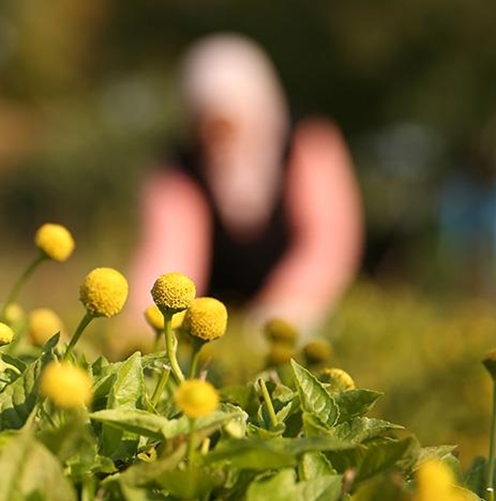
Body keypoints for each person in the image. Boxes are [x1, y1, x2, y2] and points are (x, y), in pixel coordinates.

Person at [129, 33, 363, 337]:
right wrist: (144, 326)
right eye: (205, 123)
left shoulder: (308, 142)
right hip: (212, 333)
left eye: (227, 123)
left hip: (308, 317)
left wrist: (281, 312)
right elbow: (169, 253)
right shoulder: (179, 172)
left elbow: (329, 241)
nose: (215, 138)